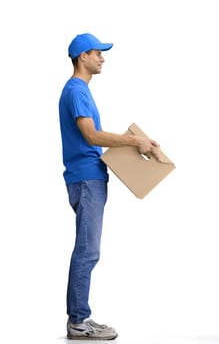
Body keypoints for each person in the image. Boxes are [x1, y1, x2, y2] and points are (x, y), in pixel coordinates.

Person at [58, 33, 161, 340]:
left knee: (88, 250)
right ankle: (78, 321)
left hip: (91, 177)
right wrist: (135, 141)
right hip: (86, 179)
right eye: (96, 52)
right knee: (87, 251)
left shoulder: (81, 91)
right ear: (81, 57)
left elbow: (93, 136)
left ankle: (80, 318)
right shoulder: (76, 90)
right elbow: (92, 136)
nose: (102, 57)